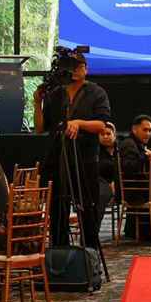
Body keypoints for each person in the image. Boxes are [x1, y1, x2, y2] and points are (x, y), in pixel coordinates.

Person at [34, 51, 112, 252]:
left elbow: (101, 124)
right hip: (57, 158)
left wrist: (78, 123)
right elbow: (40, 128)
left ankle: (90, 253)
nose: (74, 70)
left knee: (88, 207)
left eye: (78, 66)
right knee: (57, 210)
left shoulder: (96, 92)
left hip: (84, 159)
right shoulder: (56, 94)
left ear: (86, 69)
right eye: (69, 66)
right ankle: (60, 253)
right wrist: (37, 102)